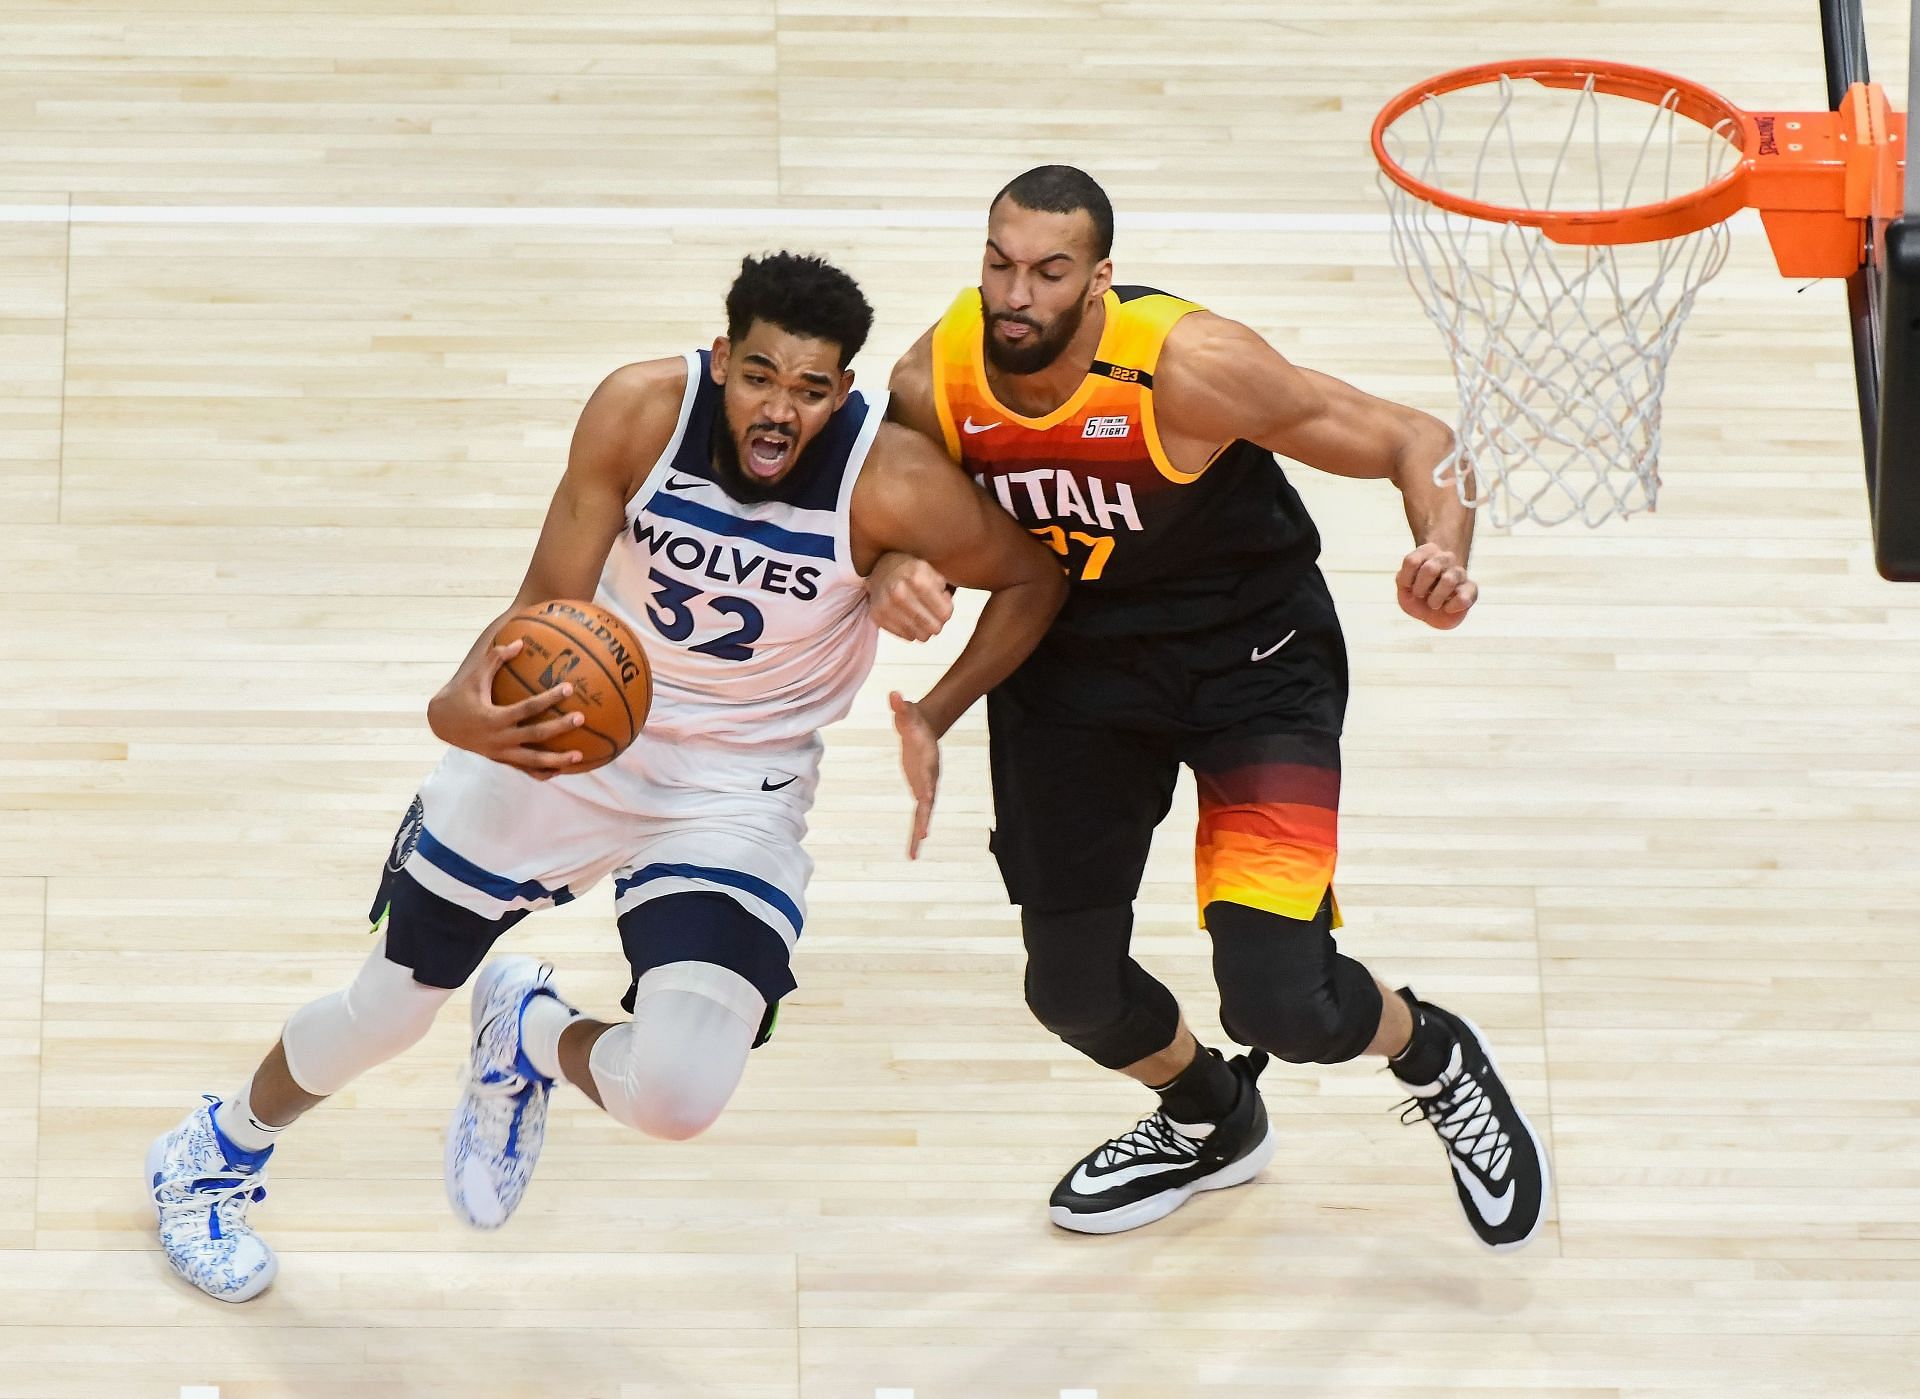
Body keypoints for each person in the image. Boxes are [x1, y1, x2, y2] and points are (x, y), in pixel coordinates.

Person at [145, 251, 1068, 1302]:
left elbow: (1034, 573)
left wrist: (936, 708)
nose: (780, 408)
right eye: (761, 375)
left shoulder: (892, 483)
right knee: (389, 1009)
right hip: (578, 727)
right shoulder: (640, 411)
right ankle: (213, 1151)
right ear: (723, 361)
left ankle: (529, 1031)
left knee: (678, 1093)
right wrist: (459, 701)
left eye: (810, 389)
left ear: (842, 393)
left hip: (738, 779)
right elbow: (547, 596)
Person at [871, 165, 1550, 1248]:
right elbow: (879, 507)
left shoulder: (1187, 368)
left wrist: (1440, 549)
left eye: (1049, 272)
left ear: (1100, 281)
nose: (1016, 295)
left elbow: (1416, 439)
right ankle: (1211, 1118)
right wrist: (890, 566)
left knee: (1286, 1001)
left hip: (1254, 664)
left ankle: (1435, 1049)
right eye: (999, 264)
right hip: (1075, 674)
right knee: (1073, 991)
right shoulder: (935, 376)